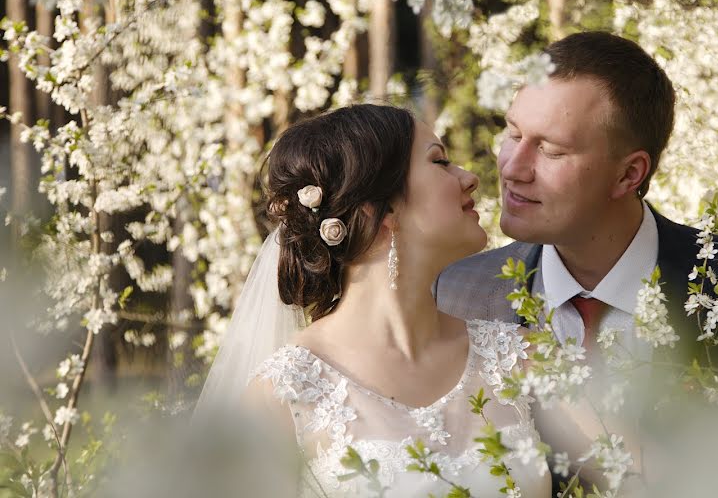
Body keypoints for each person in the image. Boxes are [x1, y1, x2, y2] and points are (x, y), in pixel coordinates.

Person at [434, 31, 718, 489]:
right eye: (513, 133)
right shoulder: (458, 295)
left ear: (628, 173)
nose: (512, 167)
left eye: (551, 149)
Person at [195, 104, 550, 497]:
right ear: (379, 211)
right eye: (440, 162)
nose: (469, 178)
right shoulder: (286, 393)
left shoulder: (519, 357)